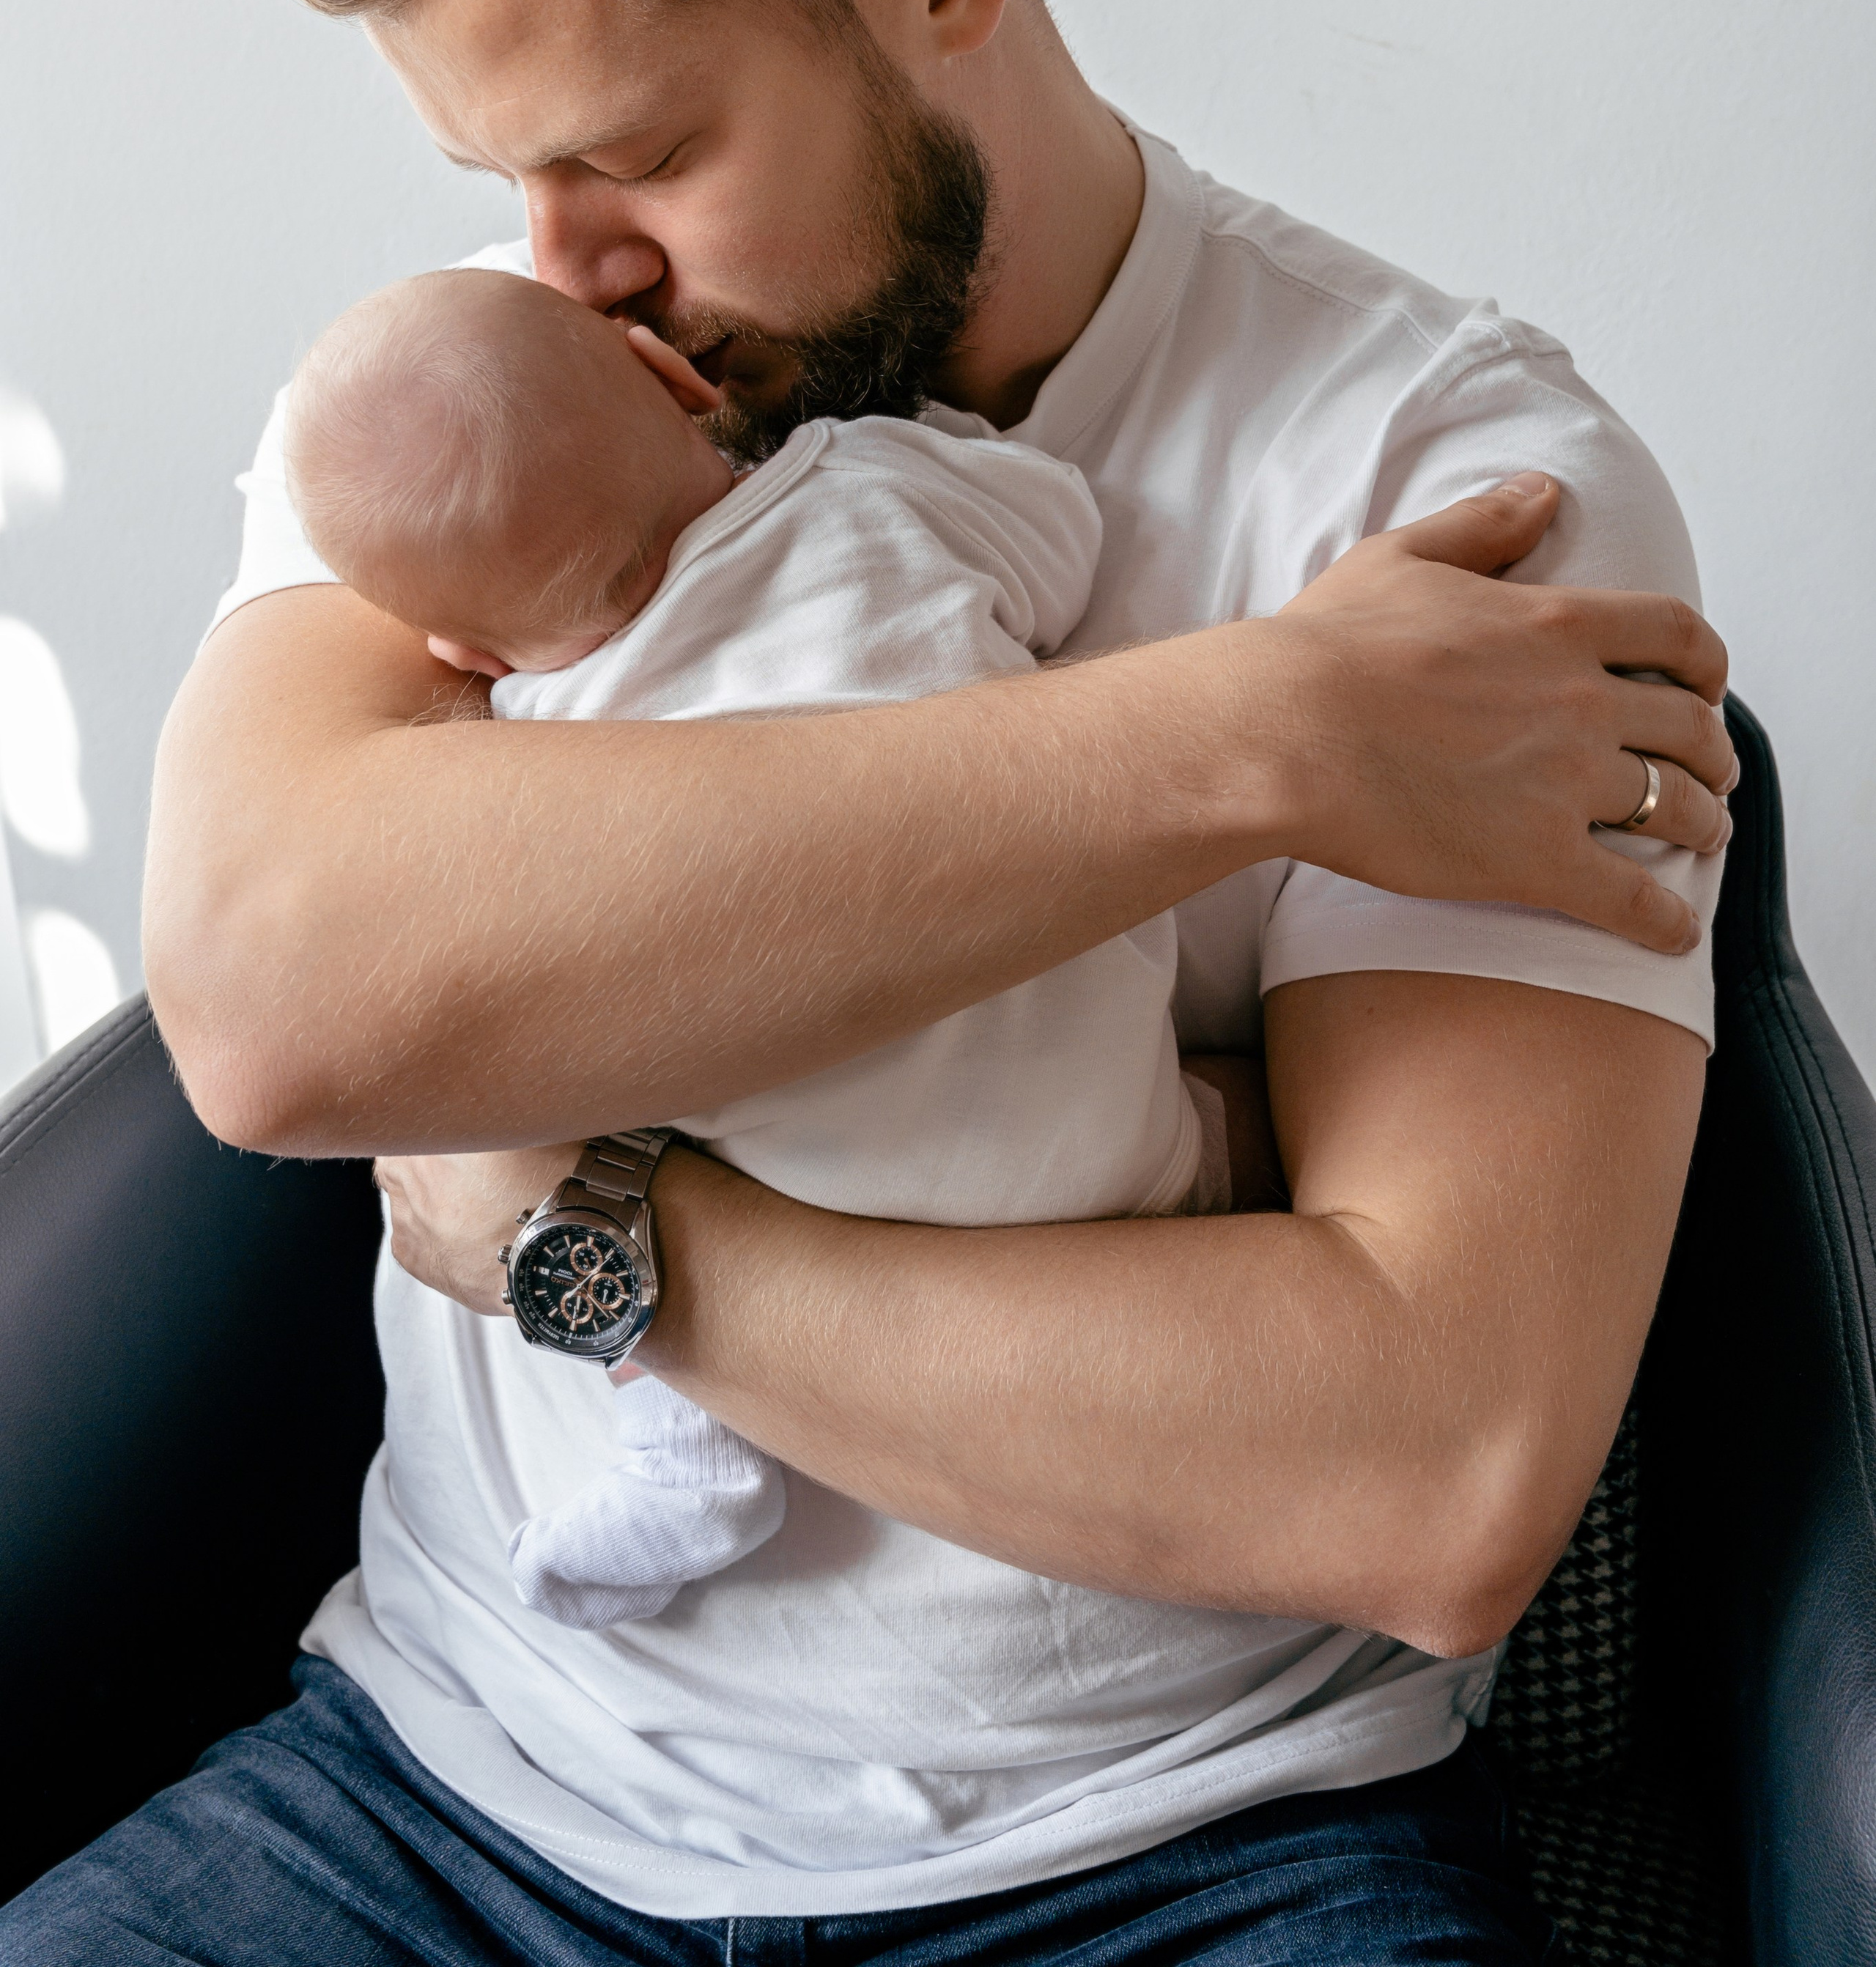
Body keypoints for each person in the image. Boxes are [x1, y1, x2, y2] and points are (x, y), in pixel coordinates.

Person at [11, 0, 1737, 1963]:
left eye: (642, 157)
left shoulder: (1446, 491)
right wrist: (1254, 734)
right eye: (503, 181)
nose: (564, 272)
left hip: (1183, 1852)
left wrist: (590, 1233)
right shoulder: (489, 407)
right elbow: (275, 1004)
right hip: (449, 1797)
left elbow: (1430, 1468)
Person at [276, 261, 1239, 1631]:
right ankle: (1187, 1164)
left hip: (807, 1197)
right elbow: (1061, 538)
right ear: (674, 383)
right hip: (1115, 1148)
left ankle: (689, 1445)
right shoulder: (873, 489)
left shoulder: (541, 744)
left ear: (462, 646)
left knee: (634, 1066)